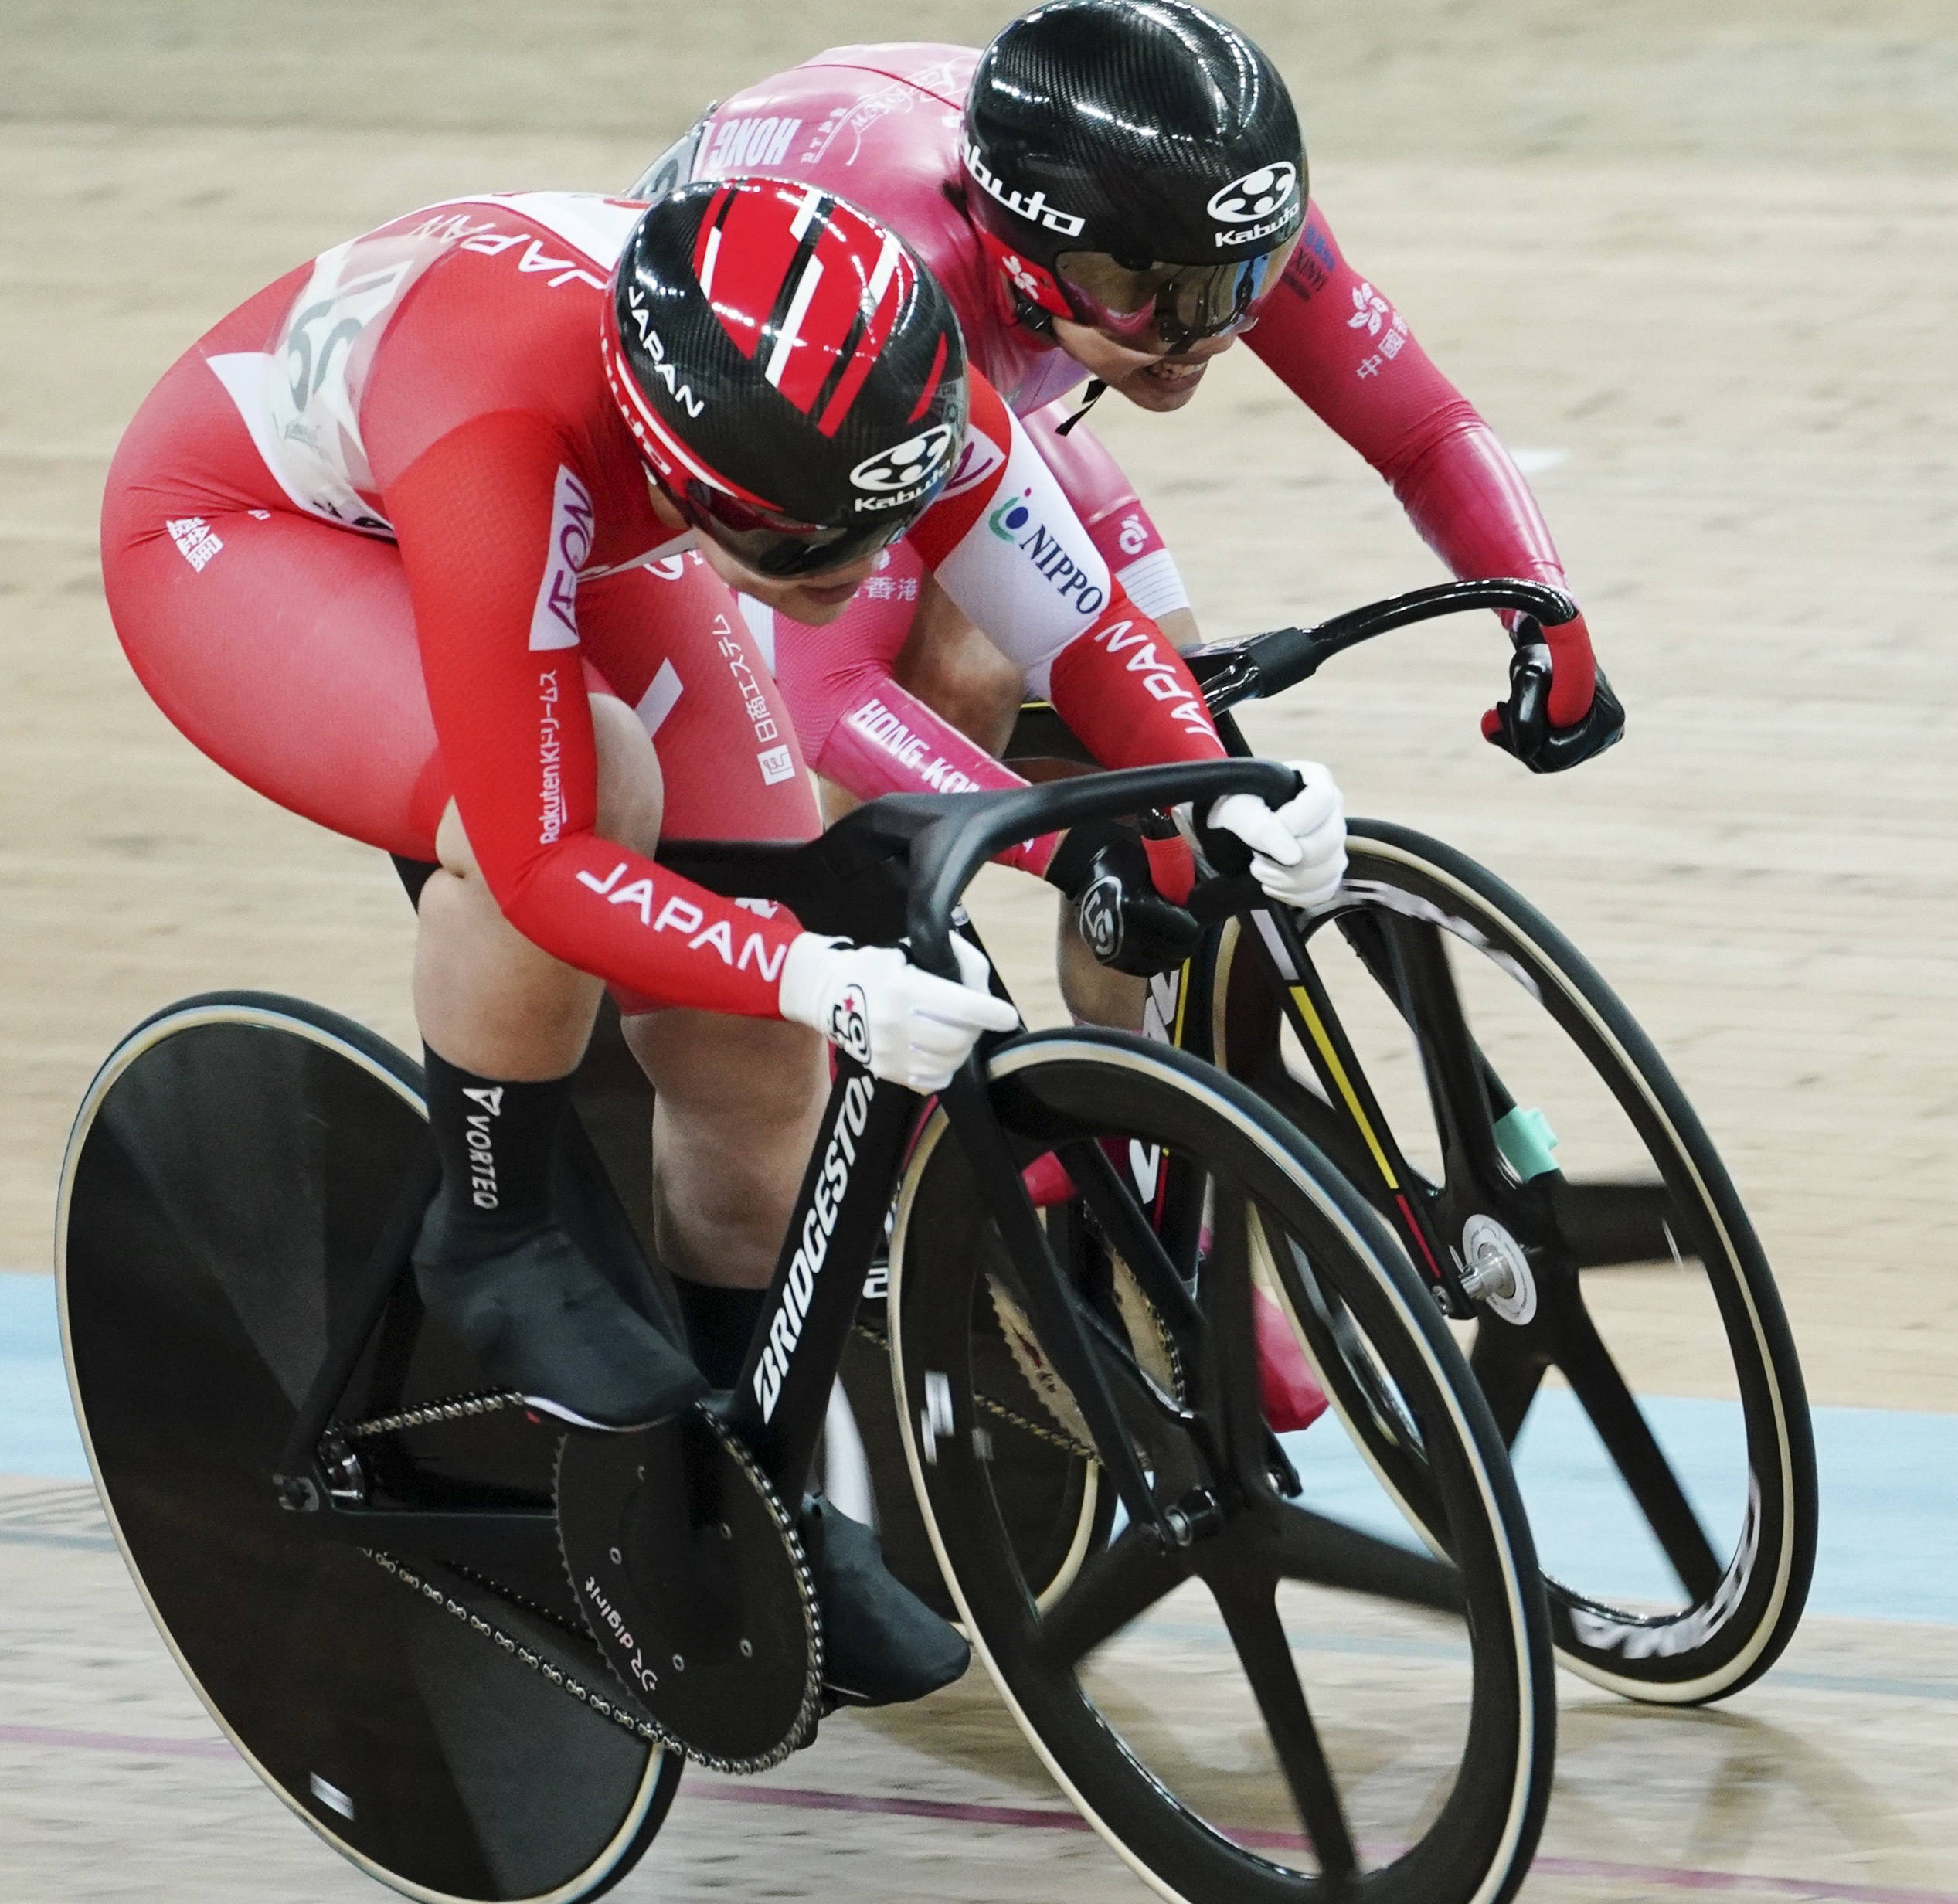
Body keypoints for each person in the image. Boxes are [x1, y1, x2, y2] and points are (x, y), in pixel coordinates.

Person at [99, 176, 1346, 1702]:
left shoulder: (892, 386)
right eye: (791, 539)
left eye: (878, 527)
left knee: (752, 1042)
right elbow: (547, 863)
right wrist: (820, 974)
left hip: (578, 514)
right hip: (247, 530)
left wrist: (1221, 792)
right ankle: (493, 1229)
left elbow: (1079, 632)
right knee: (588, 788)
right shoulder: (513, 428)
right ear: (674, 458)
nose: (844, 574)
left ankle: (738, 1488)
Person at [634, 0, 1623, 1015]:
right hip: (778, 404)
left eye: (1245, 286)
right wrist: (1068, 848)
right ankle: (875, 1040)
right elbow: (831, 689)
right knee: (960, 682)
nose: (1208, 333)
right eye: (1151, 297)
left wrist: (1545, 616)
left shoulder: (1208, 214)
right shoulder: (913, 285)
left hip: (973, 372)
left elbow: (1422, 431)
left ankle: (1132, 1103)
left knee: (1179, 754)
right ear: (1031, 260)